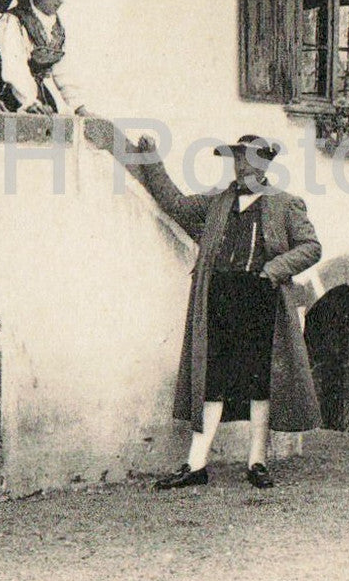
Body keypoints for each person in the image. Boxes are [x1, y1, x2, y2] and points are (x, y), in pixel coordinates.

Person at [126, 133, 323, 489]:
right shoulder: (218, 201)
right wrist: (151, 159)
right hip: (217, 298)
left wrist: (273, 270)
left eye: (248, 160)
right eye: (237, 159)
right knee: (212, 381)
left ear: (265, 165)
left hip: (261, 300)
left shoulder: (285, 204)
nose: (241, 166)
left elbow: (310, 247)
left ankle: (257, 462)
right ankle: (195, 465)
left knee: (257, 382)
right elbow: (175, 204)